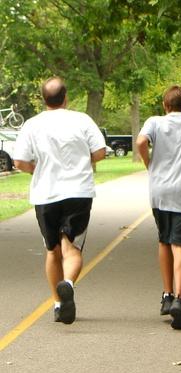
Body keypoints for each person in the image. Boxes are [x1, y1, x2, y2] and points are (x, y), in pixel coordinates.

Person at [13, 76, 106, 324]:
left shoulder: (32, 125)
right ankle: (68, 284)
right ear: (66, 97)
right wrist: (81, 162)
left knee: (52, 250)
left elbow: (19, 162)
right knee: (72, 248)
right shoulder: (82, 120)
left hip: (46, 193)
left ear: (44, 99)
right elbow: (100, 152)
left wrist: (38, 169)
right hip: (78, 192)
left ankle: (57, 302)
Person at [136, 85, 181, 330]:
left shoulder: (154, 122)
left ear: (165, 105)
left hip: (159, 192)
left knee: (164, 241)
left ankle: (166, 295)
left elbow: (140, 142)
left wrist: (150, 164)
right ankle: (179, 298)